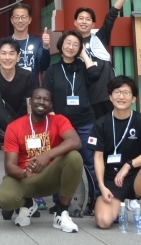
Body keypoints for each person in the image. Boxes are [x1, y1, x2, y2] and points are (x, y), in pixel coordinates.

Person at [90, 76, 141, 236]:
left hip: (136, 178)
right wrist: (102, 186)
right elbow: (98, 157)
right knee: (103, 221)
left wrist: (128, 165)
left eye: (126, 93)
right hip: (111, 182)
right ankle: (116, 207)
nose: (121, 96)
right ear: (110, 96)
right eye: (117, 92)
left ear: (134, 98)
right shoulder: (101, 123)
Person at [0, 87, 83, 232]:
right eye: (37, 98)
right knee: (6, 199)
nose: (41, 102)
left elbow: (75, 141)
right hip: (25, 176)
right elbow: (10, 166)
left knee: (74, 156)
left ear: (50, 105)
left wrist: (48, 155)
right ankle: (27, 203)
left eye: (46, 99)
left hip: (51, 175)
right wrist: (25, 173)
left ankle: (61, 213)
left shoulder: (58, 120)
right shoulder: (14, 127)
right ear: (30, 101)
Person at [42, 30, 100, 211]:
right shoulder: (52, 70)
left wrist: (83, 53)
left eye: (75, 44)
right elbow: (47, 97)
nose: (71, 47)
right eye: (68, 43)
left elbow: (95, 75)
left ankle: (96, 200)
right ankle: (60, 202)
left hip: (85, 122)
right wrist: (51, 118)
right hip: (61, 124)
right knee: (58, 161)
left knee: (90, 162)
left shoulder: (83, 68)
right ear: (61, 45)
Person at [76, 0, 134, 119]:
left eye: (88, 19)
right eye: (81, 19)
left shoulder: (100, 37)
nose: (84, 22)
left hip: (107, 95)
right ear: (75, 22)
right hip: (87, 98)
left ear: (93, 24)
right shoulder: (71, 44)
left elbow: (111, 15)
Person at [0, 37, 38, 147]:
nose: (7, 58)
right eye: (3, 53)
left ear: (18, 57)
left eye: (11, 54)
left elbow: (31, 108)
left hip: (16, 125)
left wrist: (31, 132)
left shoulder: (27, 76)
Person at [0, 3, 50, 85]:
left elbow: (44, 66)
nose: (20, 20)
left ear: (30, 20)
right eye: (17, 17)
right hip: (9, 90)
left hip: (30, 91)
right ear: (12, 20)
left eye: (24, 17)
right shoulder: (4, 43)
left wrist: (46, 47)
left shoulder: (37, 42)